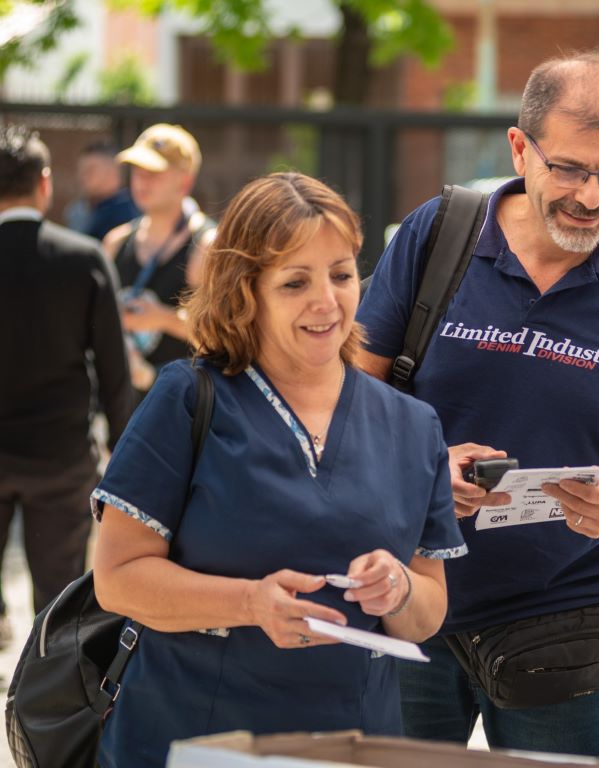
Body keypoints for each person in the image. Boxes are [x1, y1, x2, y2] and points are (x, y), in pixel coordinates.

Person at [357, 51, 599, 757]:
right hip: (405, 593)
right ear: (520, 148)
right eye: (570, 169)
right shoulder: (437, 235)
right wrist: (427, 469)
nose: (592, 197)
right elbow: (345, 404)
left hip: (566, 614)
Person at [90, 172, 466, 768]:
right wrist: (250, 604)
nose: (327, 301)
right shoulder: (190, 399)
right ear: (246, 291)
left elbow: (427, 613)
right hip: (194, 742)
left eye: (342, 275)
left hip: (354, 744)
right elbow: (116, 578)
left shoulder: (413, 426)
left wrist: (396, 589)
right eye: (295, 282)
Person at [0, 126, 133, 635]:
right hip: (60, 456)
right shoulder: (83, 259)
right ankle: (41, 703)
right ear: (45, 183)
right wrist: (122, 451)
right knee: (56, 596)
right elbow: (115, 369)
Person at [104, 123, 215, 396]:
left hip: (183, 409)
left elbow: (225, 337)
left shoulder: (208, 245)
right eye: (137, 171)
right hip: (123, 408)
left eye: (154, 172)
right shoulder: (116, 241)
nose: (141, 180)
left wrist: (163, 319)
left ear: (185, 181)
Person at [69, 140, 139, 241]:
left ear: (112, 172)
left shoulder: (127, 214)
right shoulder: (78, 210)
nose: (82, 176)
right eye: (80, 170)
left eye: (90, 170)